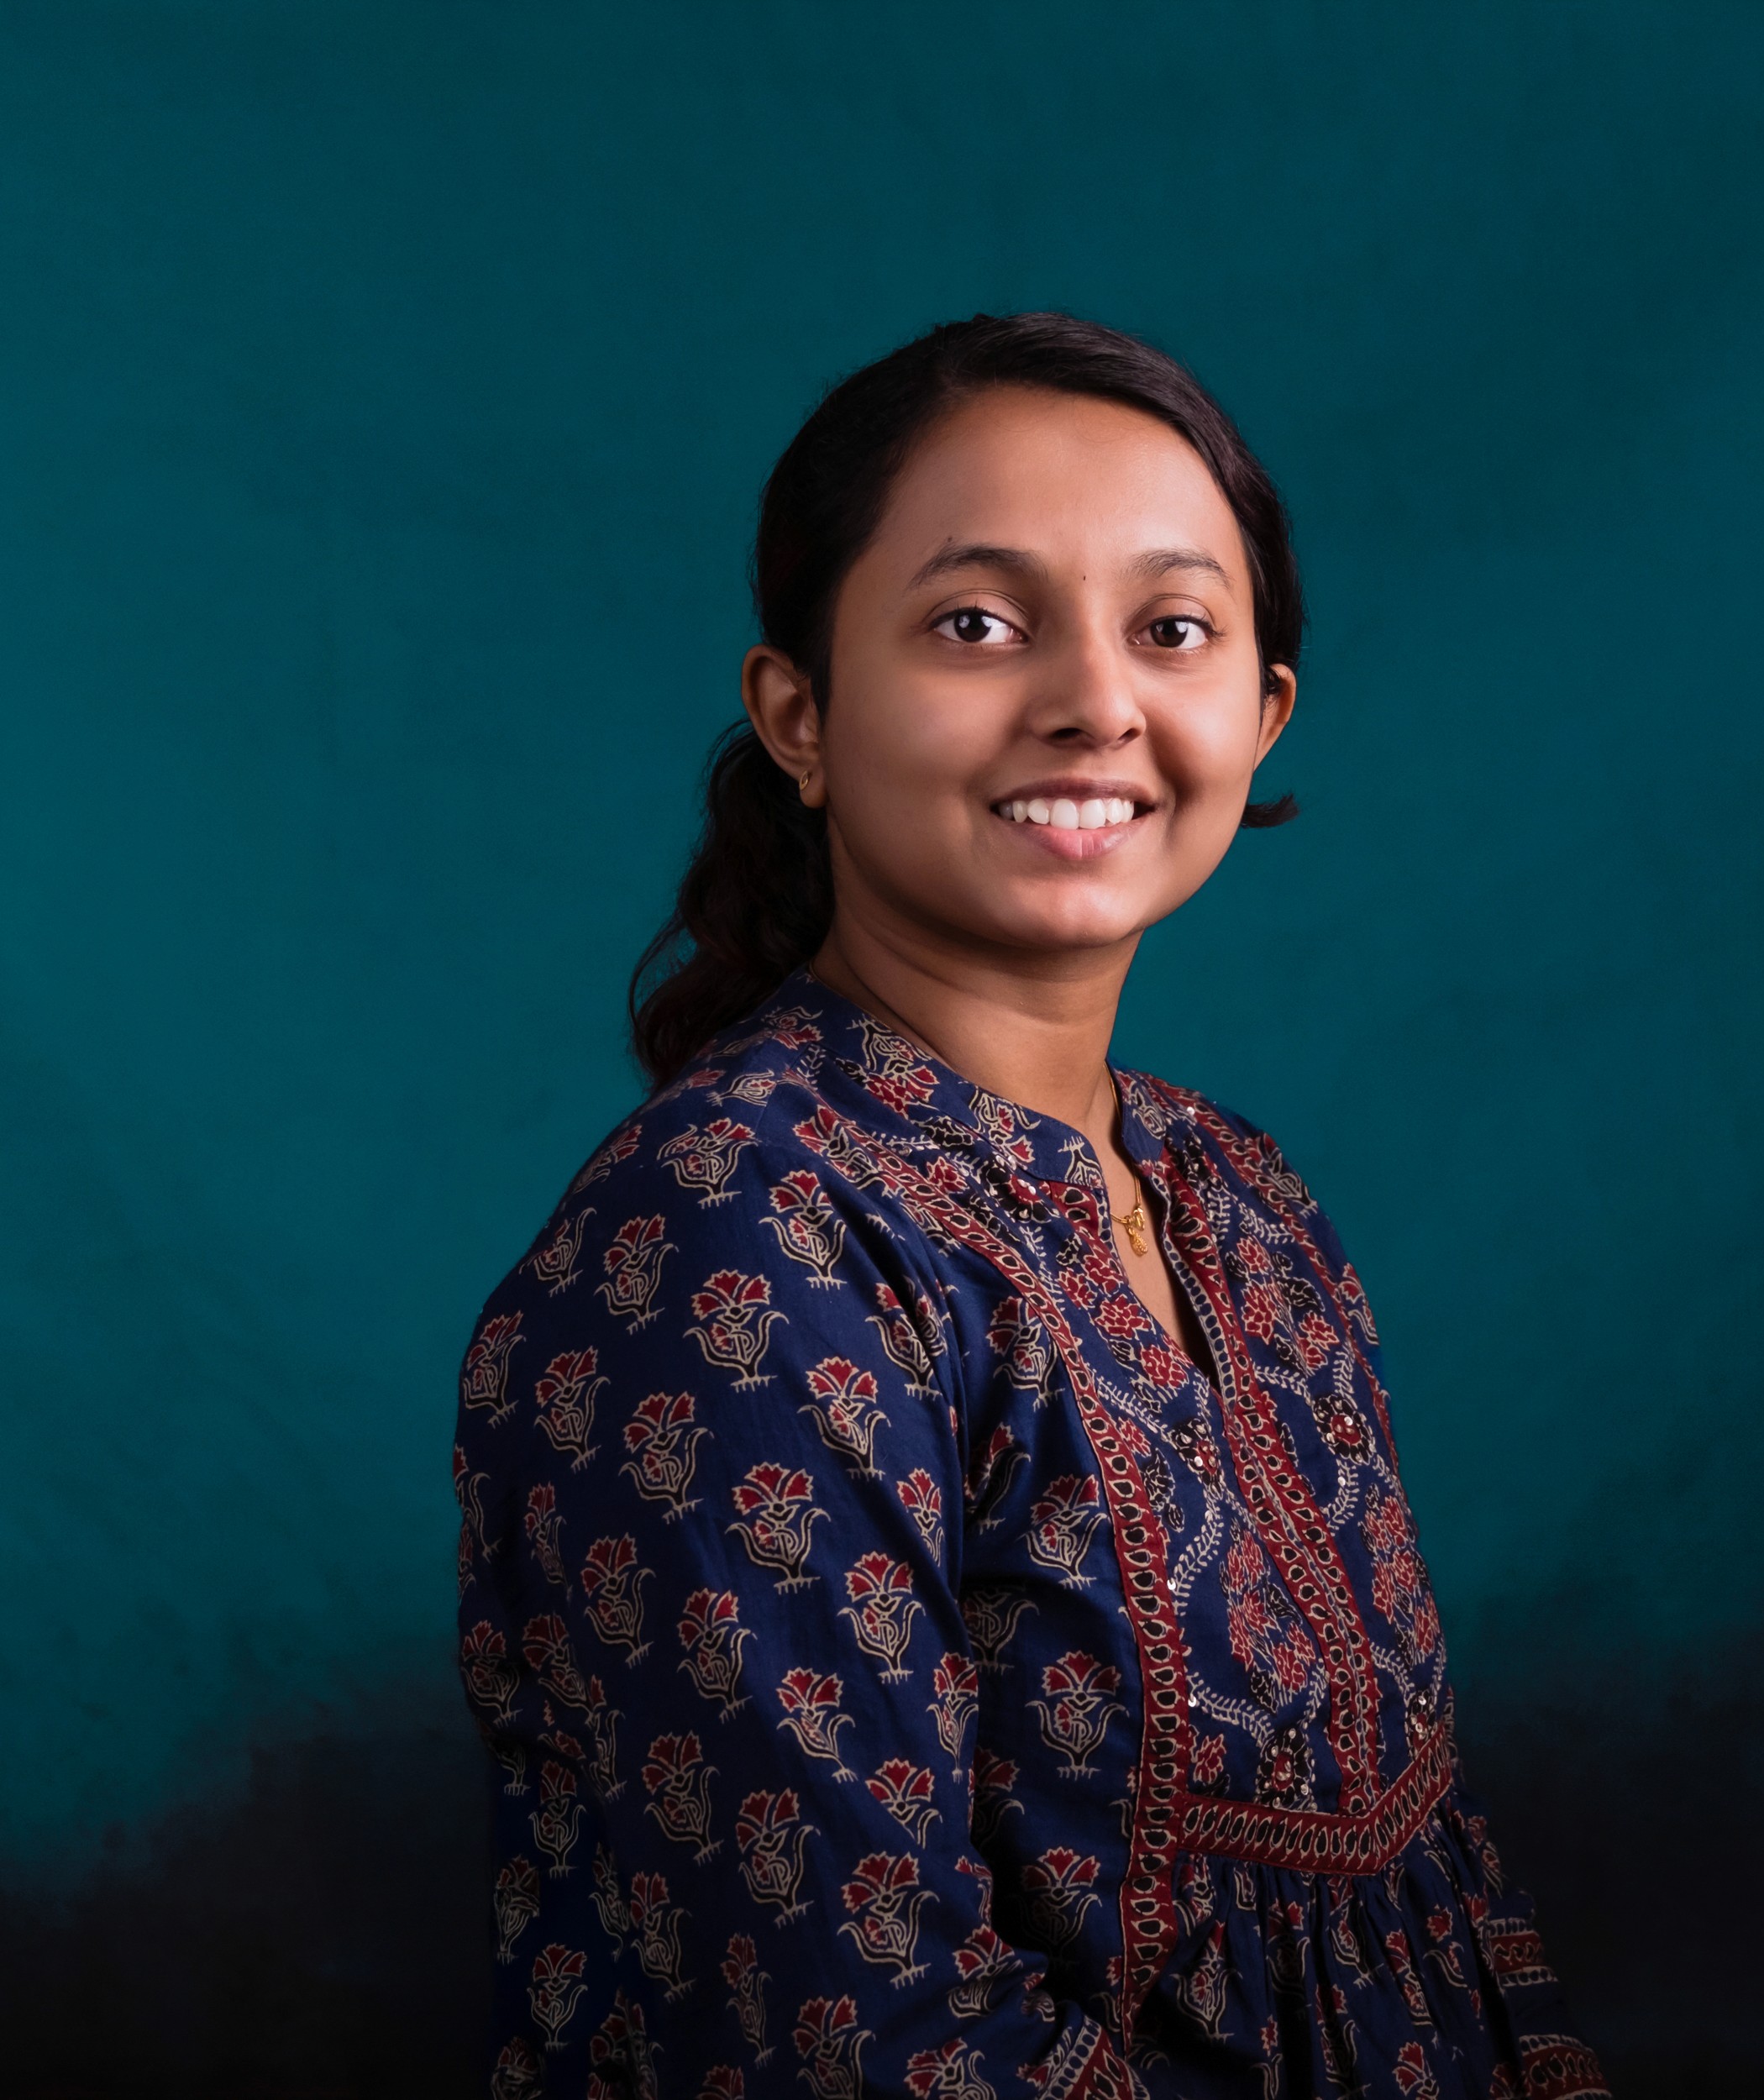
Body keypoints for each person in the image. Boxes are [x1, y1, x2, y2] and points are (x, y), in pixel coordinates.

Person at [454, 312, 1607, 2100]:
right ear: (800, 715)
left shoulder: (1237, 1195)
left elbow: (1428, 1876)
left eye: (1171, 628)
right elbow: (868, 2035)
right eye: (977, 624)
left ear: (1261, 711)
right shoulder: (734, 1241)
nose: (1092, 701)